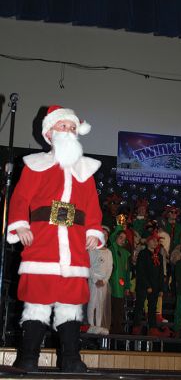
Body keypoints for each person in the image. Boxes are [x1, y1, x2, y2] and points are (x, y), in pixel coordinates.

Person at [7, 105, 105, 373]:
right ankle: (28, 358)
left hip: (74, 247)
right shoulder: (35, 165)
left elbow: (93, 207)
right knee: (37, 302)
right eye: (64, 126)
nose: (70, 131)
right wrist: (19, 225)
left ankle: (71, 358)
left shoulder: (85, 171)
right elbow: (20, 199)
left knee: (72, 303)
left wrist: (94, 232)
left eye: (73, 127)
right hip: (42, 243)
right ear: (49, 132)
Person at [131, 232, 166, 337]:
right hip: (143, 285)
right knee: (139, 305)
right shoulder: (143, 253)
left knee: (152, 308)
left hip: (155, 286)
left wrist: (161, 288)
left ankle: (153, 327)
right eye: (154, 240)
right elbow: (140, 271)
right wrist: (147, 286)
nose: (156, 243)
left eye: (157, 241)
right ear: (148, 241)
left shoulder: (159, 256)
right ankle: (136, 327)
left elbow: (160, 273)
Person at [87, 226, 113, 335]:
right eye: (102, 235)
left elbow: (110, 267)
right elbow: (88, 266)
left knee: (100, 304)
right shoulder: (92, 250)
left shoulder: (108, 252)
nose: (104, 237)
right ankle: (90, 325)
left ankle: (98, 325)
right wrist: (95, 279)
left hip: (103, 282)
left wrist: (105, 280)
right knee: (92, 303)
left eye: (106, 235)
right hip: (94, 280)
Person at [108, 226, 131, 334]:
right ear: (115, 237)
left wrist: (127, 286)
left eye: (124, 239)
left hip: (121, 286)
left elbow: (127, 271)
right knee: (112, 307)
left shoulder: (125, 253)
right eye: (120, 237)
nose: (122, 240)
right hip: (111, 284)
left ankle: (118, 328)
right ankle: (112, 327)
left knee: (119, 307)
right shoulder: (110, 250)